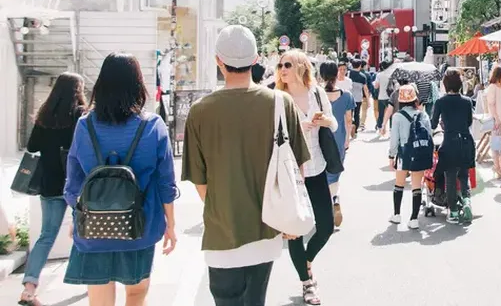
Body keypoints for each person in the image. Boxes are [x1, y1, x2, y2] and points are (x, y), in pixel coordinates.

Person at [183, 26, 310, 306]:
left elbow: (200, 181)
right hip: (267, 227)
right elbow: (296, 167)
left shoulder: (200, 111)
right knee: (256, 299)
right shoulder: (280, 103)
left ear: (218, 61)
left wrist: (224, 210)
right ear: (255, 60)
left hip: (222, 233)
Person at [64, 54, 178, 306]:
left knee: (99, 299)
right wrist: (170, 224)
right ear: (138, 84)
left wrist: (76, 214)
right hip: (140, 225)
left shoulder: (85, 125)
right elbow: (166, 183)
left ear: (101, 84)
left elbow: (73, 181)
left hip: (93, 227)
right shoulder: (152, 125)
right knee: (136, 294)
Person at [277, 49, 338, 305]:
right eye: (280, 65)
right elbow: (272, 134)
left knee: (326, 226)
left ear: (301, 66)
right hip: (291, 171)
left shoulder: (317, 93)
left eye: (287, 65)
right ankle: (307, 282)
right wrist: (297, 128)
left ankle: (307, 261)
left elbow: (334, 123)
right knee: (295, 232)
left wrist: (324, 121)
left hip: (317, 167)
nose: (282, 69)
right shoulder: (278, 97)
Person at [19, 73, 86, 306]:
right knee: (84, 233)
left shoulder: (45, 114)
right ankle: (91, 281)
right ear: (77, 90)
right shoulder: (80, 115)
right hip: (76, 185)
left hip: (49, 184)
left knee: (46, 236)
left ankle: (29, 289)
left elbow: (32, 146)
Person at [431, 69, 476, 224]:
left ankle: (454, 212)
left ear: (445, 84)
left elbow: (433, 123)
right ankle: (467, 201)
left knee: (450, 177)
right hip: (466, 140)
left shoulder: (440, 102)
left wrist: (443, 124)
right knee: (464, 175)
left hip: (449, 141)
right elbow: (469, 122)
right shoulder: (467, 101)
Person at [388, 84, 433, 229]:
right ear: (415, 99)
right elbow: (430, 135)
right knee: (416, 186)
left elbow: (394, 139)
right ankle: (414, 219)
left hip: (404, 153)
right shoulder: (423, 115)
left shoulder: (397, 116)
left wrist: (391, 156)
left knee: (399, 184)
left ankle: (396, 215)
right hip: (419, 151)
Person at [319, 60, 355, 229]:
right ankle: (335, 198)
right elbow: (348, 120)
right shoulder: (346, 95)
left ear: (321, 75)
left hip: (319, 139)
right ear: (337, 74)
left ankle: (327, 206)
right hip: (339, 139)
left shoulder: (316, 95)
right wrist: (347, 139)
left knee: (320, 174)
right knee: (334, 173)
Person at [485, 66, 501, 179]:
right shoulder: (493, 87)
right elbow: (491, 104)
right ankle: (497, 167)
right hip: (496, 120)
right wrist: (496, 119)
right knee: (497, 145)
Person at [348, 59, 370, 132]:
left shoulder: (348, 74)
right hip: (358, 98)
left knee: (349, 113)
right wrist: (368, 100)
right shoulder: (363, 76)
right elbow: (365, 89)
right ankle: (355, 129)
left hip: (349, 97)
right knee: (357, 114)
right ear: (360, 66)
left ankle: (349, 126)